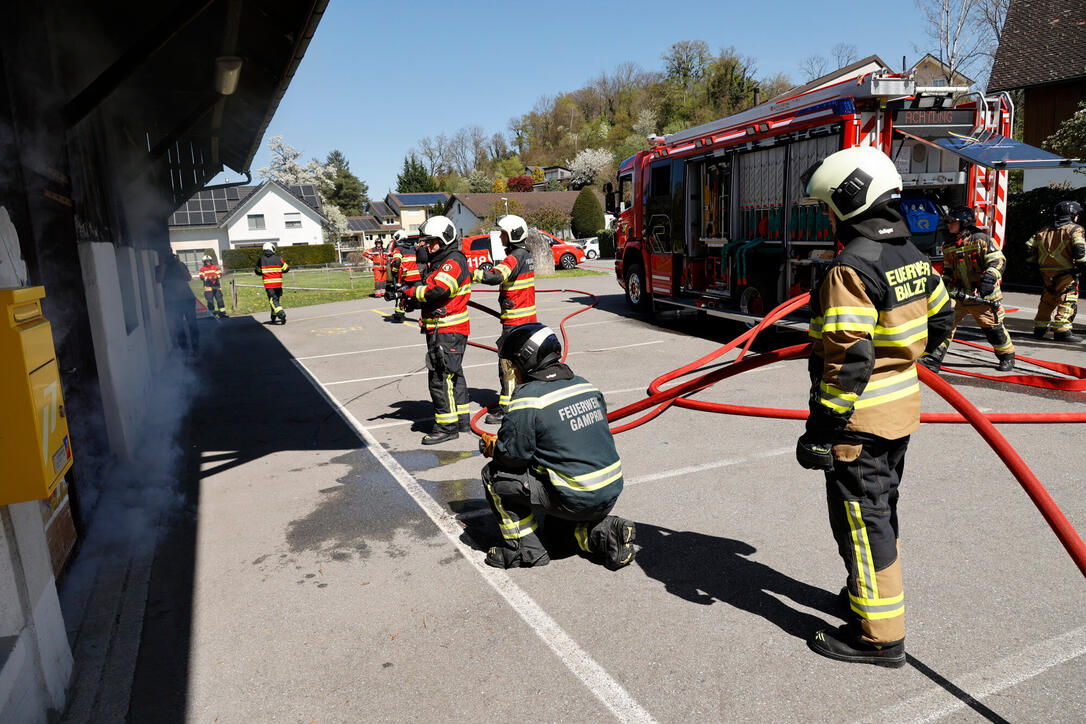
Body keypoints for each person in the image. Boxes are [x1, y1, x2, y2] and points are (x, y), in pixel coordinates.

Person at [796, 146, 954, 668]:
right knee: (880, 512)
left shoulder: (851, 267)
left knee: (863, 522)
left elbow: (848, 360)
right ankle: (866, 596)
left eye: (828, 208)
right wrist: (915, 360)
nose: (828, 219)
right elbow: (943, 318)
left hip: (858, 425)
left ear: (848, 201)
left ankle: (880, 637)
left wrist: (821, 430)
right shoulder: (913, 257)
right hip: (899, 416)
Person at [477, 322, 635, 570]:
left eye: (513, 364)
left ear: (526, 360)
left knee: (493, 475)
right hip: (608, 491)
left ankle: (524, 551)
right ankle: (607, 534)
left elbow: (512, 458)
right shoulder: (586, 385)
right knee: (556, 536)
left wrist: (494, 448)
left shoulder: (528, 399)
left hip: (573, 495)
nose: (513, 370)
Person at [919, 206, 1014, 372]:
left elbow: (998, 260)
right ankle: (933, 359)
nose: (949, 224)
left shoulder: (981, 239)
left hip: (983, 296)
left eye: (952, 221)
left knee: (992, 328)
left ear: (964, 223)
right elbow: (948, 271)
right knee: (945, 323)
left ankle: (1007, 356)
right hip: (959, 296)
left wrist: (990, 278)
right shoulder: (949, 246)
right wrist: (942, 287)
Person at [404, 216, 472, 444]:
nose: (428, 246)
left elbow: (439, 290)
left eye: (432, 242)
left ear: (445, 239)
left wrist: (412, 293)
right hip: (444, 329)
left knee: (440, 378)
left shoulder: (453, 261)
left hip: (447, 330)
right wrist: (413, 300)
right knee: (453, 375)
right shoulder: (441, 262)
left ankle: (446, 427)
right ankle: (461, 420)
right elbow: (432, 291)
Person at [472, 215, 537, 424]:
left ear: (513, 235)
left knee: (508, 367)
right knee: (523, 366)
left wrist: (474, 274)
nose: (500, 237)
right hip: (527, 320)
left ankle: (507, 409)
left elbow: (496, 276)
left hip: (515, 323)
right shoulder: (525, 255)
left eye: (503, 234)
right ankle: (525, 403)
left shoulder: (514, 257)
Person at [1025, 200, 1086, 342]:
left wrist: (1034, 265)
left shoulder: (1043, 230)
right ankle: (1062, 331)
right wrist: (1082, 265)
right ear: (1072, 215)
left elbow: (1028, 248)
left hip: (1046, 273)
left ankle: (1040, 328)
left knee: (1048, 299)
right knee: (1067, 299)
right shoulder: (1075, 229)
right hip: (1066, 272)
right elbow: (1079, 248)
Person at [156, 252, 199, 352]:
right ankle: (185, 350)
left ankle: (196, 348)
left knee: (193, 324)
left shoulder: (180, 265)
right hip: (173, 302)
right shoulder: (159, 267)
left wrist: (179, 263)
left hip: (188, 298)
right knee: (178, 326)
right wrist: (163, 265)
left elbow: (188, 278)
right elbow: (159, 279)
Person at [388, 230, 420, 322]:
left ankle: (399, 316)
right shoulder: (411, 249)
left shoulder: (398, 249)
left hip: (404, 277)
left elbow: (397, 261)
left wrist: (394, 271)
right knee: (414, 294)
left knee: (399, 295)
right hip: (416, 276)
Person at [255, 242, 289, 324]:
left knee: (273, 300)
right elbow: (286, 269)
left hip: (269, 285)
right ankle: (273, 317)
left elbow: (258, 271)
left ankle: (281, 313)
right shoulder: (279, 259)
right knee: (275, 300)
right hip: (278, 284)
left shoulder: (261, 260)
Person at [198, 254, 227, 319]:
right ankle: (212, 315)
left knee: (220, 300)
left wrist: (215, 277)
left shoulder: (215, 267)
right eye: (206, 261)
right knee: (210, 302)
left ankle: (222, 313)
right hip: (208, 288)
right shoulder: (202, 269)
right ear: (204, 262)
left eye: (209, 261)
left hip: (216, 287)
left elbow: (220, 274)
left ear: (211, 261)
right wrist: (209, 278)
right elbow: (201, 277)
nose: (208, 262)